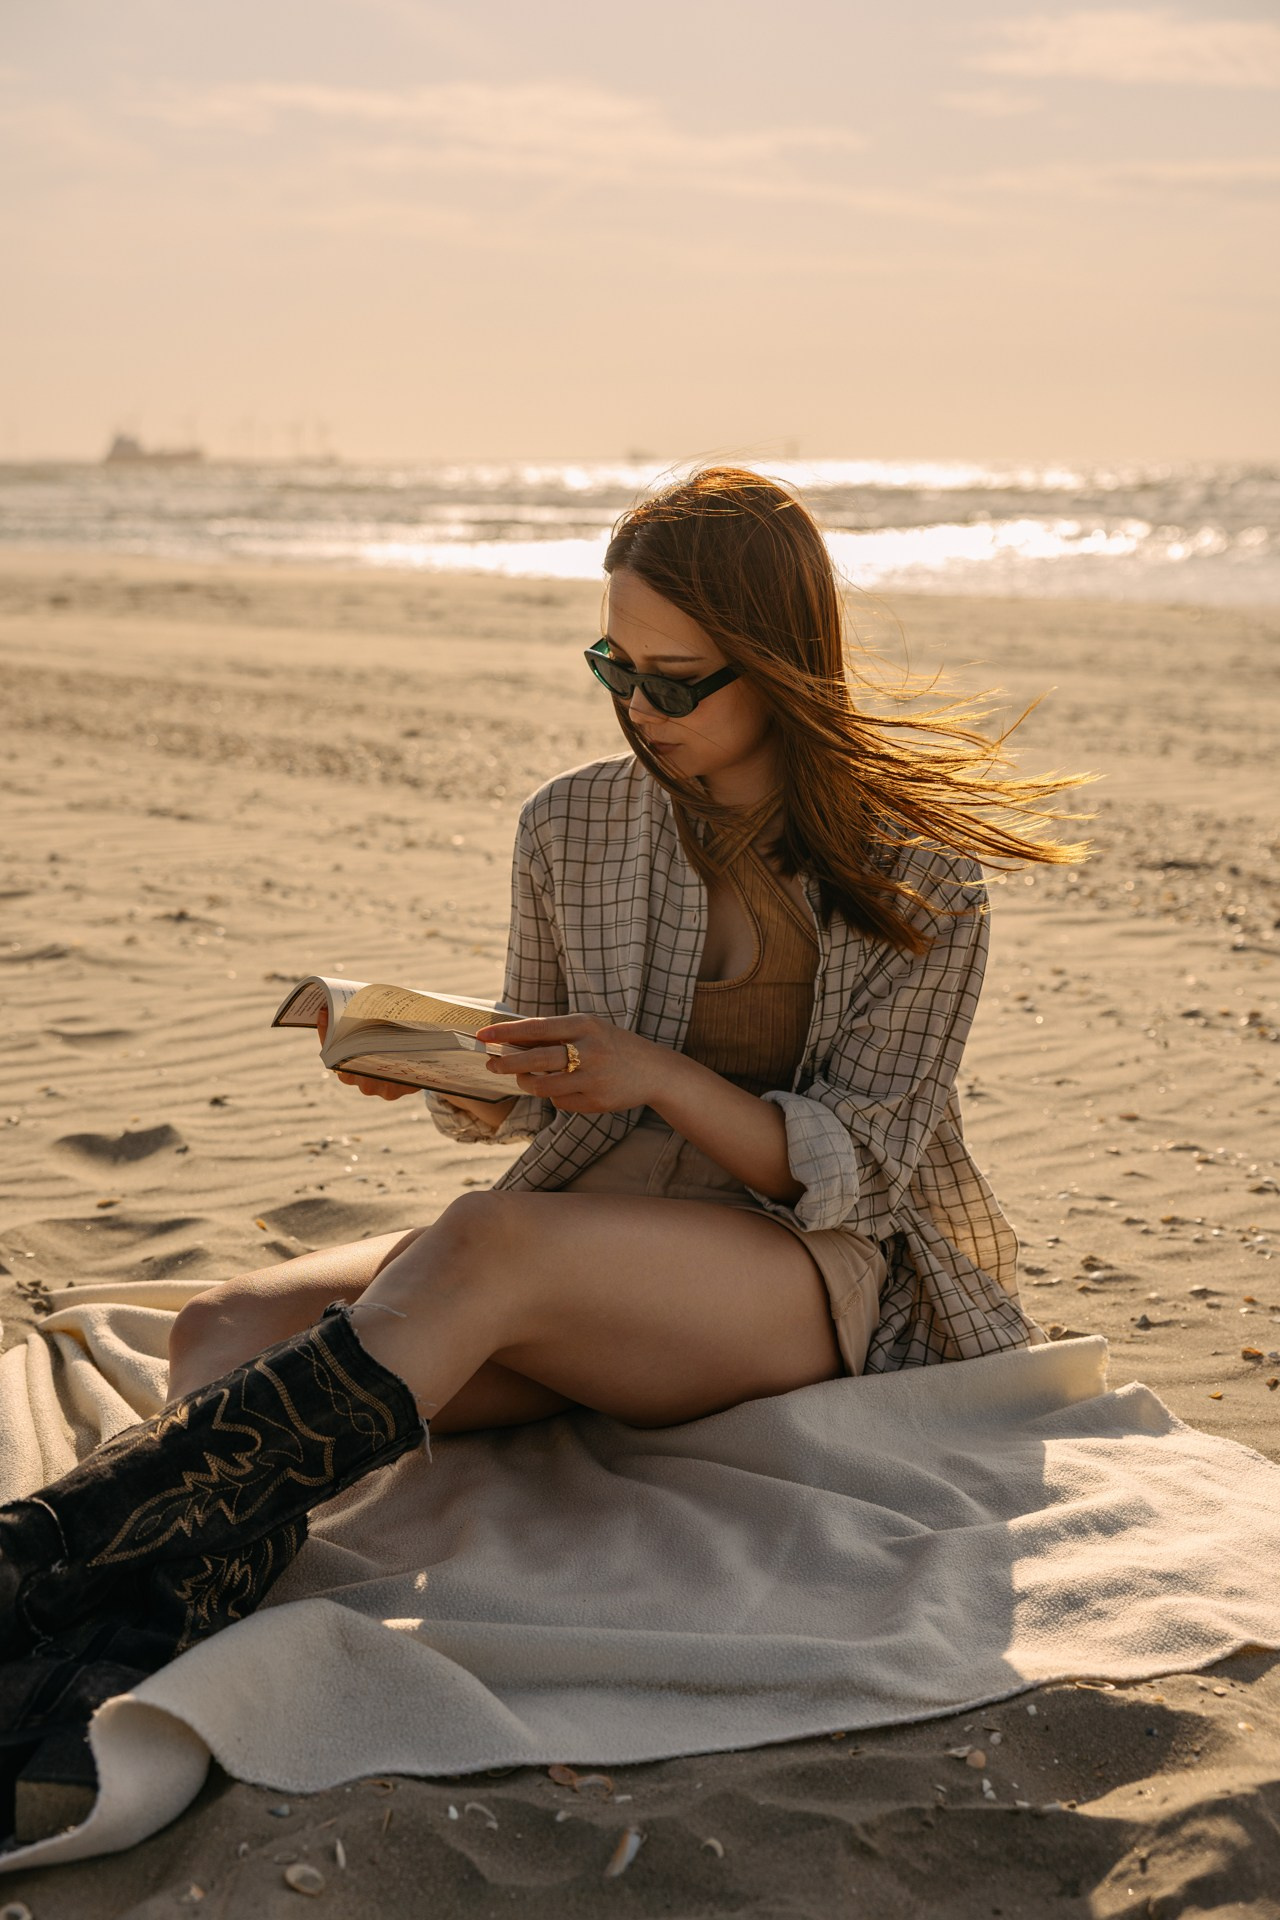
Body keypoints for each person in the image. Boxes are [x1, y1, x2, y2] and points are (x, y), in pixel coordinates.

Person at [0, 467, 1086, 1841]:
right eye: (611, 666)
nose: (639, 707)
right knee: (222, 1324)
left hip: (806, 1270)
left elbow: (861, 1165)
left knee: (483, 1244)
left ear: (779, 664)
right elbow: (556, 1097)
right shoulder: (568, 824)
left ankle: (30, 1564)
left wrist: (655, 1078)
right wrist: (459, 1077)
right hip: (591, 1233)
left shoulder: (924, 876)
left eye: (676, 679)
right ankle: (88, 1684)